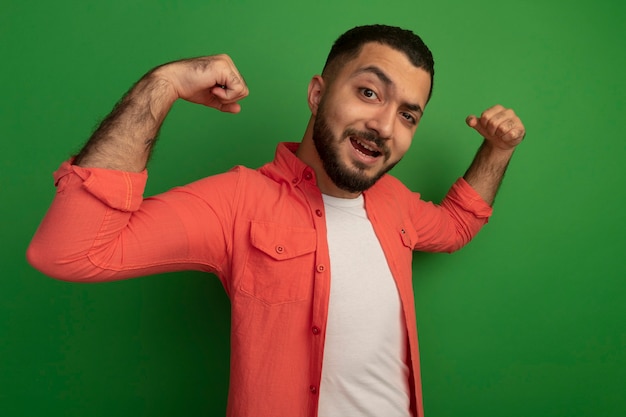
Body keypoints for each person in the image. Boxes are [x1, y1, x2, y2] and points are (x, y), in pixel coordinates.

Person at [27, 24, 525, 417]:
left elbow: (458, 224)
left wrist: (497, 149)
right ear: (316, 94)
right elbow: (70, 252)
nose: (384, 126)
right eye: (370, 93)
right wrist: (163, 85)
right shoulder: (238, 201)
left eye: (408, 115)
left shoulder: (394, 201)